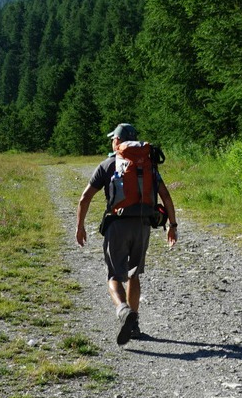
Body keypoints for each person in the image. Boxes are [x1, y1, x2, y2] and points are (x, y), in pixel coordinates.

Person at [75, 123, 178, 345]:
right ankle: (135, 324)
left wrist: (80, 226)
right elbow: (166, 197)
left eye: (113, 139)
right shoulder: (148, 165)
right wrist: (173, 225)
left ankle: (123, 311)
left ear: (117, 141)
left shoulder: (108, 164)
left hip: (117, 225)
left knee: (114, 276)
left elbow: (85, 198)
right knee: (134, 274)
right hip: (142, 225)